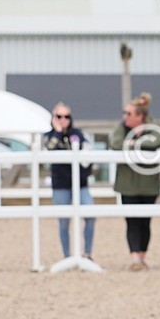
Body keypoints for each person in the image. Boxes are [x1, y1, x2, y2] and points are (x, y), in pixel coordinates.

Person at [110, 93, 160, 271]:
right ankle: (135, 258)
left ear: (139, 116)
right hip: (127, 185)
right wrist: (137, 142)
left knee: (145, 222)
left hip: (148, 185)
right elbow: (115, 143)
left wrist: (133, 142)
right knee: (131, 221)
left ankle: (142, 255)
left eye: (128, 113)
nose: (125, 117)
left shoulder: (153, 126)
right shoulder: (121, 128)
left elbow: (157, 141)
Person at [43, 102, 95, 260]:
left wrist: (85, 172)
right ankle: (67, 256)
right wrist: (58, 132)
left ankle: (87, 253)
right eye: (59, 116)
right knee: (64, 222)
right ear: (53, 118)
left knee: (91, 214)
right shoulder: (49, 136)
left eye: (66, 116)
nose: (63, 119)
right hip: (61, 185)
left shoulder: (78, 134)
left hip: (80, 184)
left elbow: (88, 154)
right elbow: (48, 151)